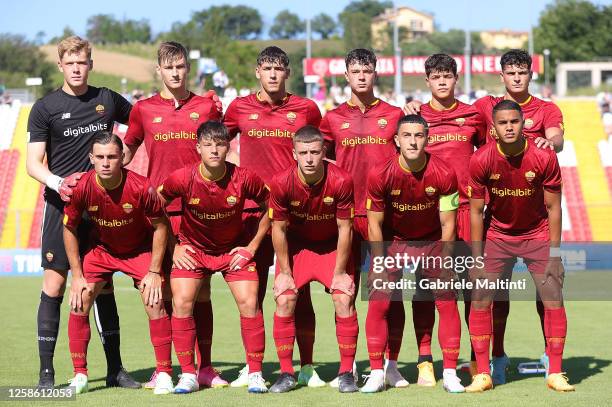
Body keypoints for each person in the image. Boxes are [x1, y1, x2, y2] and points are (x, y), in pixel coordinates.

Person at [404, 49, 565, 382]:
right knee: (444, 287)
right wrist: (412, 108)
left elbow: (554, 138)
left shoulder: (540, 110)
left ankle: (525, 359)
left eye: (523, 71)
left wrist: (552, 142)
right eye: (511, 72)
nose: (517, 77)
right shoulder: (479, 109)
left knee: (520, 290)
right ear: (501, 75)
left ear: (531, 74)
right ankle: (448, 359)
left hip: (508, 214)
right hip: (458, 213)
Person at [26, 35, 138, 390]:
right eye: (70, 63)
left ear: (90, 64)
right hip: (62, 207)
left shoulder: (106, 99)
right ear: (61, 65)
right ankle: (46, 374)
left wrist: (126, 160)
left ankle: (116, 370)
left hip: (102, 211)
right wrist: (59, 183)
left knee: (103, 287)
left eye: (82, 62)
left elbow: (142, 125)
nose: (77, 68)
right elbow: (32, 164)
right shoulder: (45, 107)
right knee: (56, 284)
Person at [122, 41, 226, 389]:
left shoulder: (207, 106)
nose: (176, 73)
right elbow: (126, 151)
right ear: (159, 71)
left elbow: (221, 144)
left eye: (181, 66)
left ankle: (205, 367)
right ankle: (163, 367)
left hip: (201, 213)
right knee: (163, 292)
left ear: (188, 69)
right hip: (159, 214)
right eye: (169, 68)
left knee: (201, 291)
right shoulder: (143, 109)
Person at [223, 46, 325, 387]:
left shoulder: (306, 109)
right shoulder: (239, 108)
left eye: (278, 68)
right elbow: (215, 143)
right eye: (266, 68)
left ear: (287, 73)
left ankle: (307, 366)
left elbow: (328, 151)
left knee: (300, 291)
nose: (272, 74)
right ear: (257, 72)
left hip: (294, 215)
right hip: (252, 214)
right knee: (252, 294)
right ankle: (253, 367)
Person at [465, 100, 574, 392]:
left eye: (515, 121)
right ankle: (483, 373)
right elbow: (476, 212)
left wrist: (554, 254)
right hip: (498, 235)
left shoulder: (543, 156)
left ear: (523, 123)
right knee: (481, 298)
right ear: (493, 129)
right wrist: (476, 260)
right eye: (503, 123)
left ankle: (555, 371)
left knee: (553, 295)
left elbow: (554, 207)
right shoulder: (481, 159)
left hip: (537, 234)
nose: (509, 127)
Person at [157, 121, 270, 394]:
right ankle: (188, 374)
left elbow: (272, 207)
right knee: (182, 302)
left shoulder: (244, 178)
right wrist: (175, 247)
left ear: (228, 146)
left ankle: (255, 373)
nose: (214, 150)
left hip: (233, 250)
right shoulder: (182, 177)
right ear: (198, 148)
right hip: (194, 251)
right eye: (208, 145)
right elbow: (156, 206)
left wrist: (252, 247)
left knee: (250, 302)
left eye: (220, 144)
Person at [319, 48, 407, 388]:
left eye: (367, 70)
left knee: (389, 293)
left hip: (383, 218)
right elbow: (319, 161)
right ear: (346, 75)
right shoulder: (331, 118)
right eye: (355, 71)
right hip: (344, 217)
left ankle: (391, 365)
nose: (361, 76)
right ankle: (348, 367)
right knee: (345, 291)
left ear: (375, 73)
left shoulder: (395, 114)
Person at [62, 132, 172, 394]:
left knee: (154, 301)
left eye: (112, 156)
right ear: (91, 159)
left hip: (139, 251)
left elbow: (160, 227)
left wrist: (155, 271)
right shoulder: (82, 187)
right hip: (103, 251)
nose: (106, 162)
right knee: (80, 299)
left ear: (122, 158)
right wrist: (76, 275)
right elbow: (68, 229)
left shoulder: (141, 187)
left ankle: (165, 373)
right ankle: (80, 375)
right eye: (99, 157)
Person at [363, 114, 463, 393]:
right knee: (380, 302)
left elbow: (448, 222)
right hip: (394, 242)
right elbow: (374, 222)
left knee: (447, 302)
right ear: (396, 140)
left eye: (419, 136)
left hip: (431, 242)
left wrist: (446, 259)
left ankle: (452, 372)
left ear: (427, 139)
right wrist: (380, 261)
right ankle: (377, 371)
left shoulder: (444, 172)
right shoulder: (379, 173)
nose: (413, 141)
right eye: (407, 135)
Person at [408, 53, 487, 383]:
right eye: (435, 76)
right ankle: (425, 358)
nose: (442, 81)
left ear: (456, 79)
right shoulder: (415, 117)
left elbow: (485, 157)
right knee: (427, 287)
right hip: (430, 213)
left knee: (474, 288)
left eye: (447, 76)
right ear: (427, 81)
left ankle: (474, 358)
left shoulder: (473, 116)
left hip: (467, 210)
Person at [267, 125, 359, 394]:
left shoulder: (341, 180)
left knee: (343, 298)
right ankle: (286, 373)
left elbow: (345, 229)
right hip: (298, 247)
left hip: (332, 246)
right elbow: (279, 229)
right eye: (303, 152)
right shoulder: (281, 182)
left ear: (324, 152)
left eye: (315, 152)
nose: (309, 158)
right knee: (285, 298)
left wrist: (341, 272)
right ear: (294, 153)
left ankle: (346, 372)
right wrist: (283, 271)